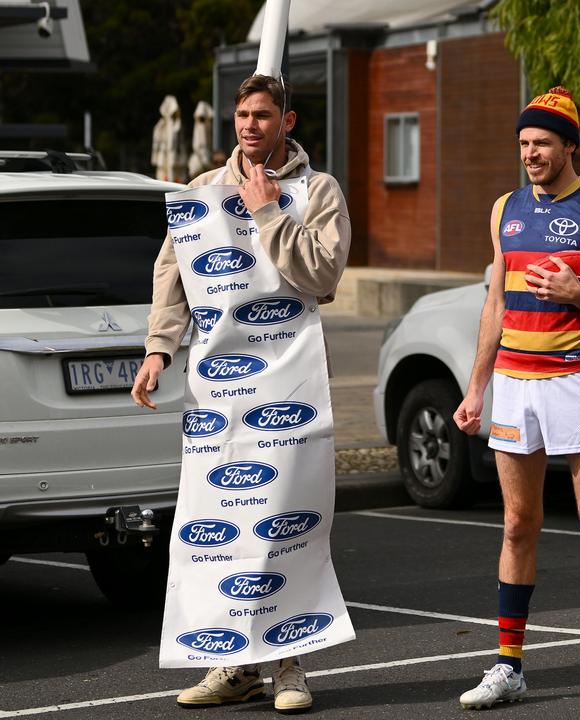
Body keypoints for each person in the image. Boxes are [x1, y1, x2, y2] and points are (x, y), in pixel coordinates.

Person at [131, 74, 352, 715]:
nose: (251, 125)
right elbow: (172, 275)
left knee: (282, 529)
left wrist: (266, 212)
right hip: (217, 395)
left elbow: (324, 273)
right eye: (243, 115)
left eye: (263, 115)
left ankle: (288, 667)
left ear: (289, 121)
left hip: (291, 387)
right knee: (219, 532)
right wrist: (156, 349)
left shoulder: (317, 191)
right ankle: (233, 666)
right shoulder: (200, 192)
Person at [452, 86, 580, 716]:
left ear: (569, 147)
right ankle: (509, 667)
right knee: (516, 523)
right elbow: (495, 304)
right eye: (524, 143)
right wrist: (477, 385)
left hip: (573, 376)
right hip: (512, 379)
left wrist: (575, 291)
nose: (531, 153)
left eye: (542, 143)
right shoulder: (504, 208)